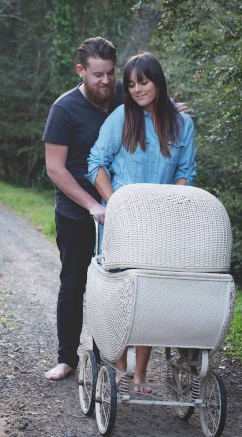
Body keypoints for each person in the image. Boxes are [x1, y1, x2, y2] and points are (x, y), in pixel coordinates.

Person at [41, 38, 190, 381]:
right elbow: (55, 168)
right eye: (98, 75)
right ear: (81, 71)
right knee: (75, 282)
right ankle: (66, 358)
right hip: (79, 209)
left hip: (129, 213)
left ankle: (104, 359)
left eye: (110, 73)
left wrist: (175, 113)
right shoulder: (64, 110)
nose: (107, 82)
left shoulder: (125, 91)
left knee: (117, 285)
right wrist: (94, 204)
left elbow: (156, 104)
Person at [86, 51, 196, 391]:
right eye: (131, 84)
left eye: (143, 82)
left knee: (151, 297)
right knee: (122, 294)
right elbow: (95, 163)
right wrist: (114, 203)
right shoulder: (121, 118)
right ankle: (119, 366)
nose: (136, 90)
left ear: (158, 83)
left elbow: (185, 173)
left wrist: (171, 206)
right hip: (122, 222)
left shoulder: (182, 124)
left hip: (161, 224)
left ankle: (140, 374)